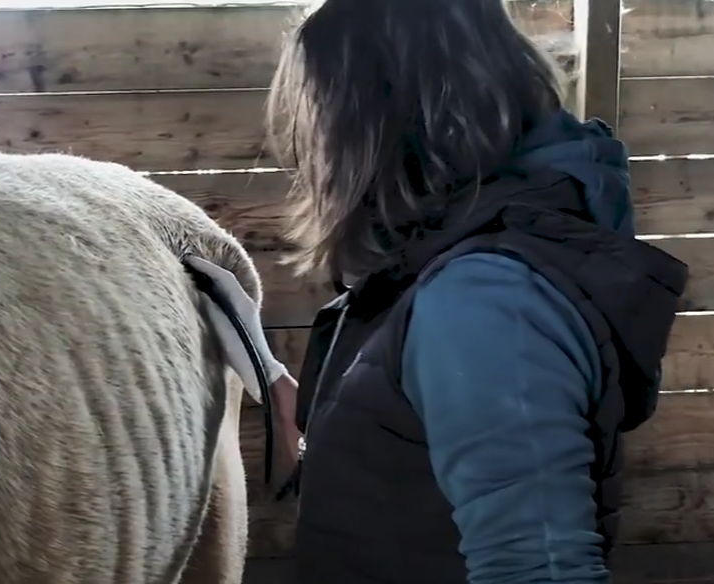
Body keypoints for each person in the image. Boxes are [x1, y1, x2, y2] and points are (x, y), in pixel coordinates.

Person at [184, 0, 691, 582]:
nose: (317, 149)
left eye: (325, 114)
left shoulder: (486, 304)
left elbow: (539, 569)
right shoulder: (455, 266)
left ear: (377, 121)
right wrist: (295, 396)